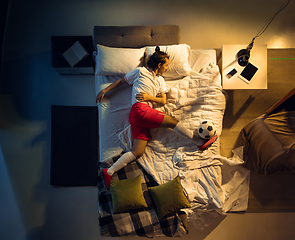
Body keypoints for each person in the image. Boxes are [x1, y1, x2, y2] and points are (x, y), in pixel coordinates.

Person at [96, 46, 198, 188]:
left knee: (137, 152)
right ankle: (198, 141)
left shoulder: (161, 80)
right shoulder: (140, 72)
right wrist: (104, 90)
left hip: (141, 116)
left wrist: (149, 97)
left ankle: (110, 171)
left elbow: (162, 100)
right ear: (160, 64)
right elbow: (121, 81)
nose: (167, 68)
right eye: (166, 65)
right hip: (139, 110)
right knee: (173, 122)